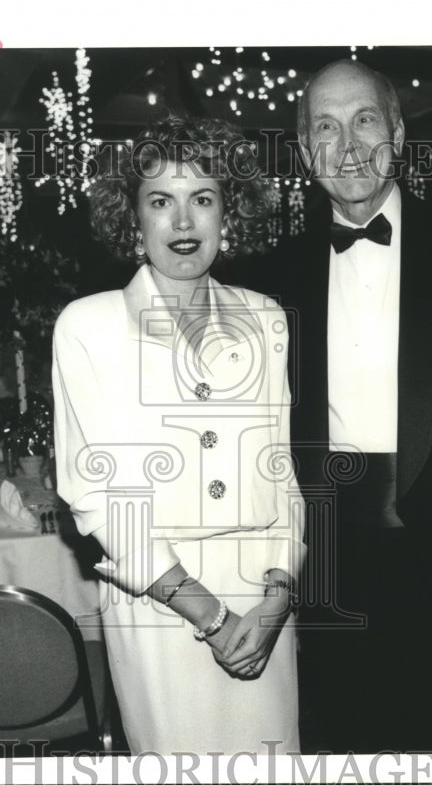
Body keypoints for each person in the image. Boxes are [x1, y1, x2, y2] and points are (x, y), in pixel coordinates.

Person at [239, 60, 432, 753]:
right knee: (342, 747)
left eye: (364, 120)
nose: (348, 144)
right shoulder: (270, 275)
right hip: (325, 567)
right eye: (325, 125)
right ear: (304, 148)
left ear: (398, 132)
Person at [51, 115, 305, 755]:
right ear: (133, 219)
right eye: (161, 201)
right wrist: (209, 616)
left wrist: (279, 593)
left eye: (203, 199)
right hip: (159, 599)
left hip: (262, 598)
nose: (184, 223)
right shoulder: (88, 326)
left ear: (229, 214)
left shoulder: (267, 318)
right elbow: (96, 497)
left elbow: (285, 472)